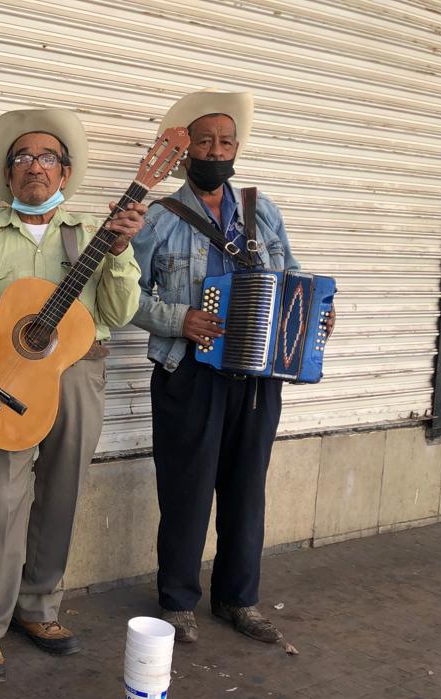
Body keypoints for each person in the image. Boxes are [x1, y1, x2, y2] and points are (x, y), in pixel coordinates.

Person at [0, 108, 145, 683]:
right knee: (5, 498)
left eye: (46, 157)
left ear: (66, 172)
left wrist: (123, 251)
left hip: (78, 373)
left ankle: (40, 608)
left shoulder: (93, 235)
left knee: (62, 492)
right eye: (23, 158)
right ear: (8, 176)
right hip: (5, 378)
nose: (35, 166)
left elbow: (119, 313)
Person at [131, 89, 335, 645]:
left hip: (259, 375)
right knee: (187, 490)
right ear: (186, 151)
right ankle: (178, 601)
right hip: (188, 372)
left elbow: (291, 273)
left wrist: (316, 312)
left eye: (224, 141)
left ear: (236, 147)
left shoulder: (259, 207)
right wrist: (180, 318)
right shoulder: (160, 218)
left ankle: (238, 599)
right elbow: (125, 298)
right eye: (204, 141)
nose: (215, 150)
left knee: (248, 489)